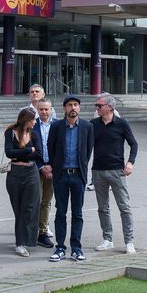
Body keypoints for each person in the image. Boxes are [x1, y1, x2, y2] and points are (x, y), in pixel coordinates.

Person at [45, 95, 93, 263]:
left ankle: (76, 248)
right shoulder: (57, 126)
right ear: (64, 108)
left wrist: (82, 168)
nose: (73, 108)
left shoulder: (87, 127)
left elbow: (87, 151)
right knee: (60, 212)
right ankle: (60, 248)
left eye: (75, 105)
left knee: (78, 213)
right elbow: (50, 148)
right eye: (70, 105)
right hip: (61, 175)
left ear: (79, 108)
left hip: (78, 175)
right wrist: (52, 166)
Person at [90, 93, 139, 254]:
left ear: (110, 107)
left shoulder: (121, 124)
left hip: (117, 171)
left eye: (99, 106)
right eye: (96, 106)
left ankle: (129, 241)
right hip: (98, 171)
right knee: (102, 208)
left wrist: (130, 163)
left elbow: (134, 144)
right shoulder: (93, 125)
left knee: (124, 207)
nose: (97, 108)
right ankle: (107, 239)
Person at [3, 107, 42, 257]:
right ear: (26, 119)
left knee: (29, 207)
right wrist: (28, 151)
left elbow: (38, 155)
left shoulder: (34, 134)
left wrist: (22, 153)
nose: (35, 122)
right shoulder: (10, 132)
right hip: (14, 173)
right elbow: (8, 152)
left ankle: (23, 242)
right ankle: (21, 241)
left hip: (31, 173)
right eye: (33, 120)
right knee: (18, 208)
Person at [34, 99, 56, 248]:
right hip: (37, 169)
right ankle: (31, 232)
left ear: (51, 109)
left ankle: (42, 232)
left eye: (46, 109)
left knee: (46, 202)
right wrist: (41, 166)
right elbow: (29, 148)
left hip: (53, 170)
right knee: (36, 201)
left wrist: (52, 167)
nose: (44, 112)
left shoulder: (58, 125)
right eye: (41, 109)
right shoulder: (32, 125)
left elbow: (62, 147)